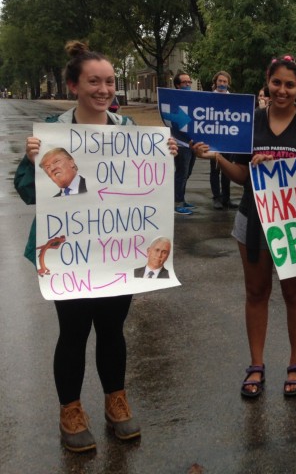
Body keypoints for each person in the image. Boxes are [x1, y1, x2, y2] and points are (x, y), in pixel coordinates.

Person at [14, 40, 177, 452]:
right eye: (94, 82)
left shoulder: (129, 132)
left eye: (109, 82)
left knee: (112, 329)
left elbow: (147, 188)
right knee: (72, 332)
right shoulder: (52, 133)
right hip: (70, 255)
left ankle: (115, 401)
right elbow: (27, 192)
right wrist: (32, 162)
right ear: (74, 85)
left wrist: (166, 157)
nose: (104, 89)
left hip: (117, 253)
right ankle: (70, 409)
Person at [193, 55, 296, 398]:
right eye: (276, 82)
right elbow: (241, 176)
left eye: (289, 84)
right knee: (256, 293)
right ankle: (256, 364)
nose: (282, 90)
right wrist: (219, 159)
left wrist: (287, 167)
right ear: (267, 83)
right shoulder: (251, 121)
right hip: (252, 218)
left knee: (294, 294)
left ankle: (295, 365)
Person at [209, 71, 237, 210]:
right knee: (215, 169)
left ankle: (226, 198)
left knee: (227, 169)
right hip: (214, 138)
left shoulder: (232, 99)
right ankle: (216, 198)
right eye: (220, 81)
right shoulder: (209, 98)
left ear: (228, 83)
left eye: (225, 81)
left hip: (228, 139)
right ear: (215, 82)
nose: (222, 84)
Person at [172, 72, 197, 215]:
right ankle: (177, 203)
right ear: (177, 85)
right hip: (181, 144)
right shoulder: (174, 100)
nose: (188, 85)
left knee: (187, 173)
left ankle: (181, 198)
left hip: (191, 143)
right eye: (184, 83)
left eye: (189, 82)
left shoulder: (192, 99)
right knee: (181, 173)